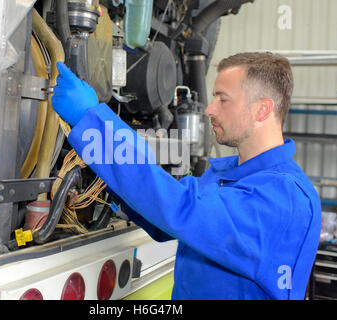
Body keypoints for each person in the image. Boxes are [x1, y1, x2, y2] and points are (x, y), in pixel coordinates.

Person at [51, 52, 322, 300]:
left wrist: (92, 122)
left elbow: (180, 210)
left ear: (262, 109)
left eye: (223, 99)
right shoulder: (228, 176)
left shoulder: (283, 197)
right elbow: (165, 220)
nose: (209, 109)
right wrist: (108, 167)